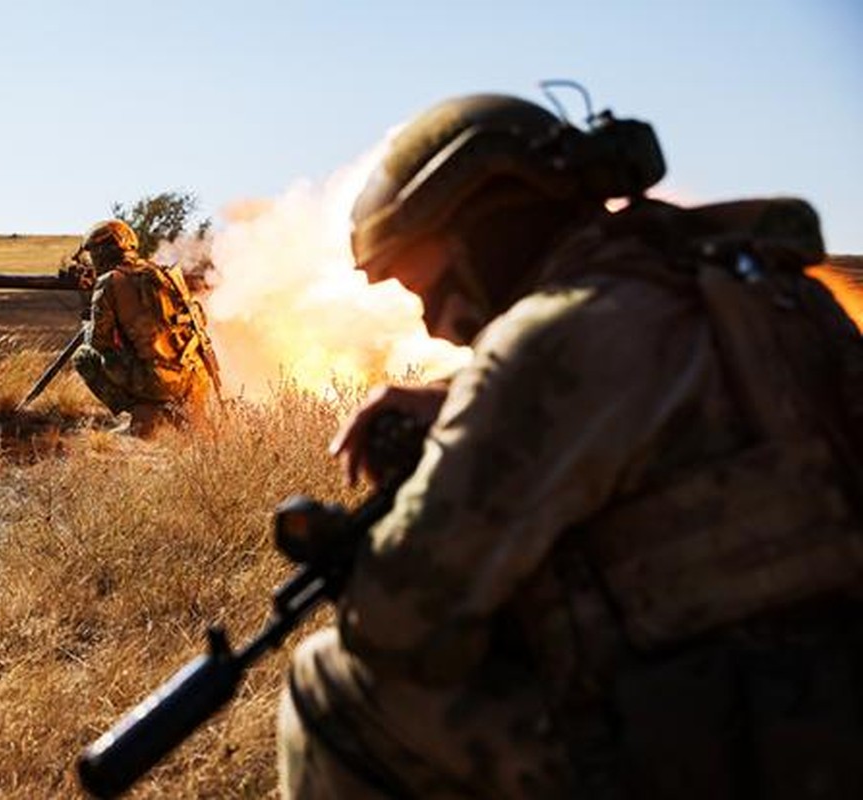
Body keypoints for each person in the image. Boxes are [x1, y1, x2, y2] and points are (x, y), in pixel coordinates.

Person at [278, 93, 863, 798]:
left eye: (419, 283)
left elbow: (403, 625)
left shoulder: (544, 347)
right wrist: (461, 399)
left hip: (725, 752)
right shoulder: (758, 287)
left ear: (482, 229)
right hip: (832, 706)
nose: (431, 323)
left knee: (329, 683)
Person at [71, 219, 219, 435]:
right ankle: (176, 415)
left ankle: (143, 414)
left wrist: (90, 313)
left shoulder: (109, 282)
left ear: (104, 251)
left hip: (158, 382)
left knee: (84, 357)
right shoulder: (167, 272)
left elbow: (98, 341)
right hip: (195, 377)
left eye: (93, 254)